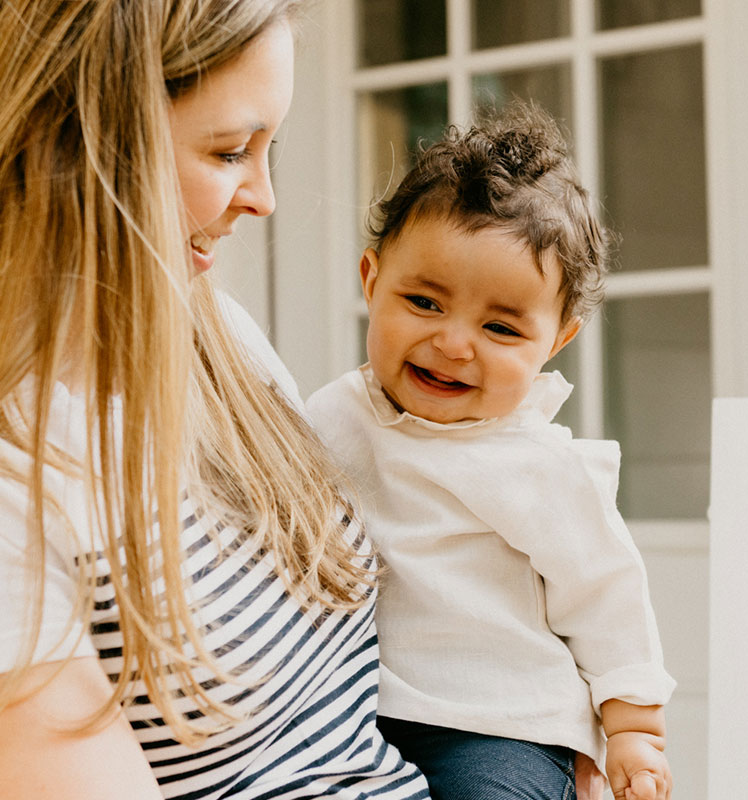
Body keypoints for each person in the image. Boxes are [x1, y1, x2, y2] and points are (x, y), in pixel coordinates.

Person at [0, 2, 430, 798]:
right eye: (231, 150)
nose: (263, 198)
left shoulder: (222, 340)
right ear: (82, 142)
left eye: (270, 149)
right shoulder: (19, 476)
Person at [305, 106, 676, 800]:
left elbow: (607, 597)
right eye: (423, 301)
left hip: (501, 725)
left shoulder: (538, 465)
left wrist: (633, 730)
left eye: (500, 326)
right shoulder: (329, 417)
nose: (453, 343)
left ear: (555, 342)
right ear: (371, 281)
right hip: (354, 707)